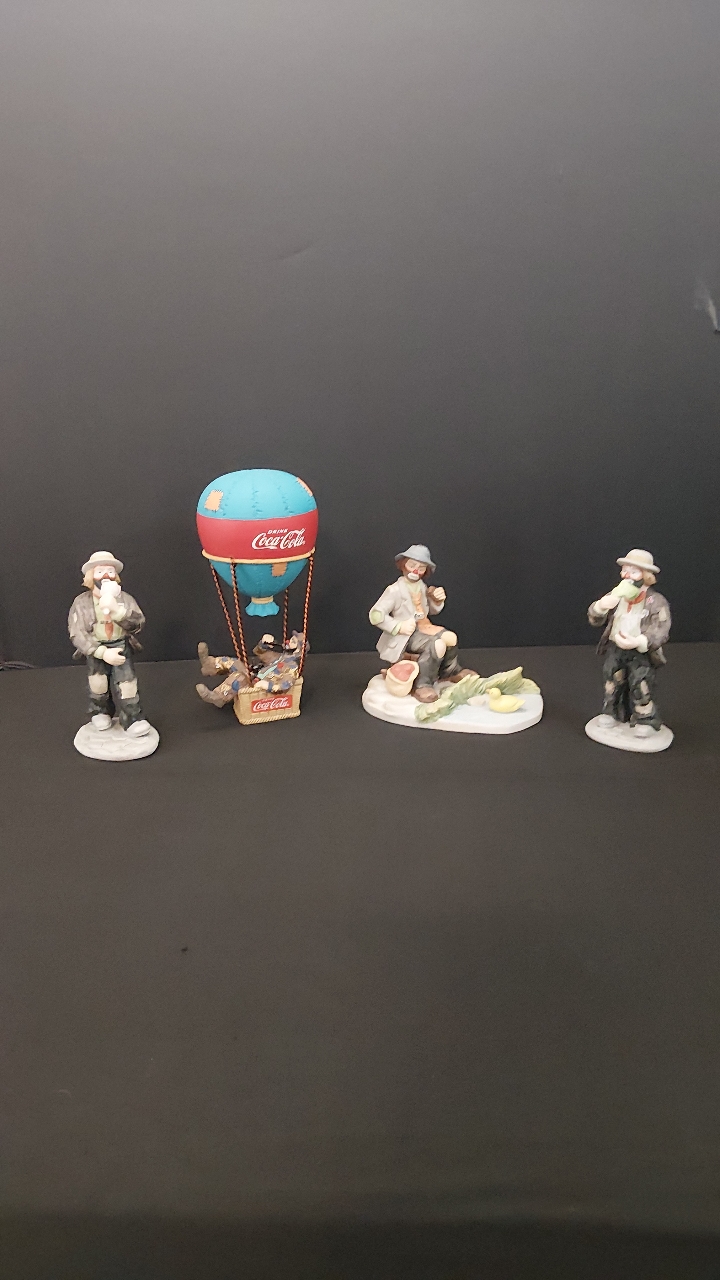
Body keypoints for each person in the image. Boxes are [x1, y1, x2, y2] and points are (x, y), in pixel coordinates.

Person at [369, 544, 475, 703]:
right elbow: (376, 615)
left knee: (451, 637)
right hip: (406, 635)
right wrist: (399, 626)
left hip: (425, 627)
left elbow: (429, 611)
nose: (415, 571)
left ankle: (450, 672)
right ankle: (423, 684)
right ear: (403, 564)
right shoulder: (394, 590)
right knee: (437, 644)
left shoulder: (421, 586)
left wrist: (436, 600)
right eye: (412, 565)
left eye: (421, 568)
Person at [588, 548, 671, 735]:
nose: (627, 575)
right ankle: (612, 712)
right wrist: (601, 606)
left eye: (633, 572)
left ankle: (646, 719)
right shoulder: (617, 596)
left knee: (640, 684)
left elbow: (661, 629)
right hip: (616, 648)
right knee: (612, 680)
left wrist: (640, 641)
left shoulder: (656, 601)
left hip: (640, 652)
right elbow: (595, 619)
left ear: (646, 575)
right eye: (625, 570)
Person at [68, 552, 151, 736]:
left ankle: (132, 719)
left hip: (120, 645)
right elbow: (77, 632)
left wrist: (118, 612)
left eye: (110, 571)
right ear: (91, 576)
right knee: (98, 683)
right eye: (100, 571)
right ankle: (100, 712)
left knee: (127, 684)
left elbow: (138, 623)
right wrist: (102, 652)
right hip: (96, 648)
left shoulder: (125, 599)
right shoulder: (81, 603)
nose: (106, 576)